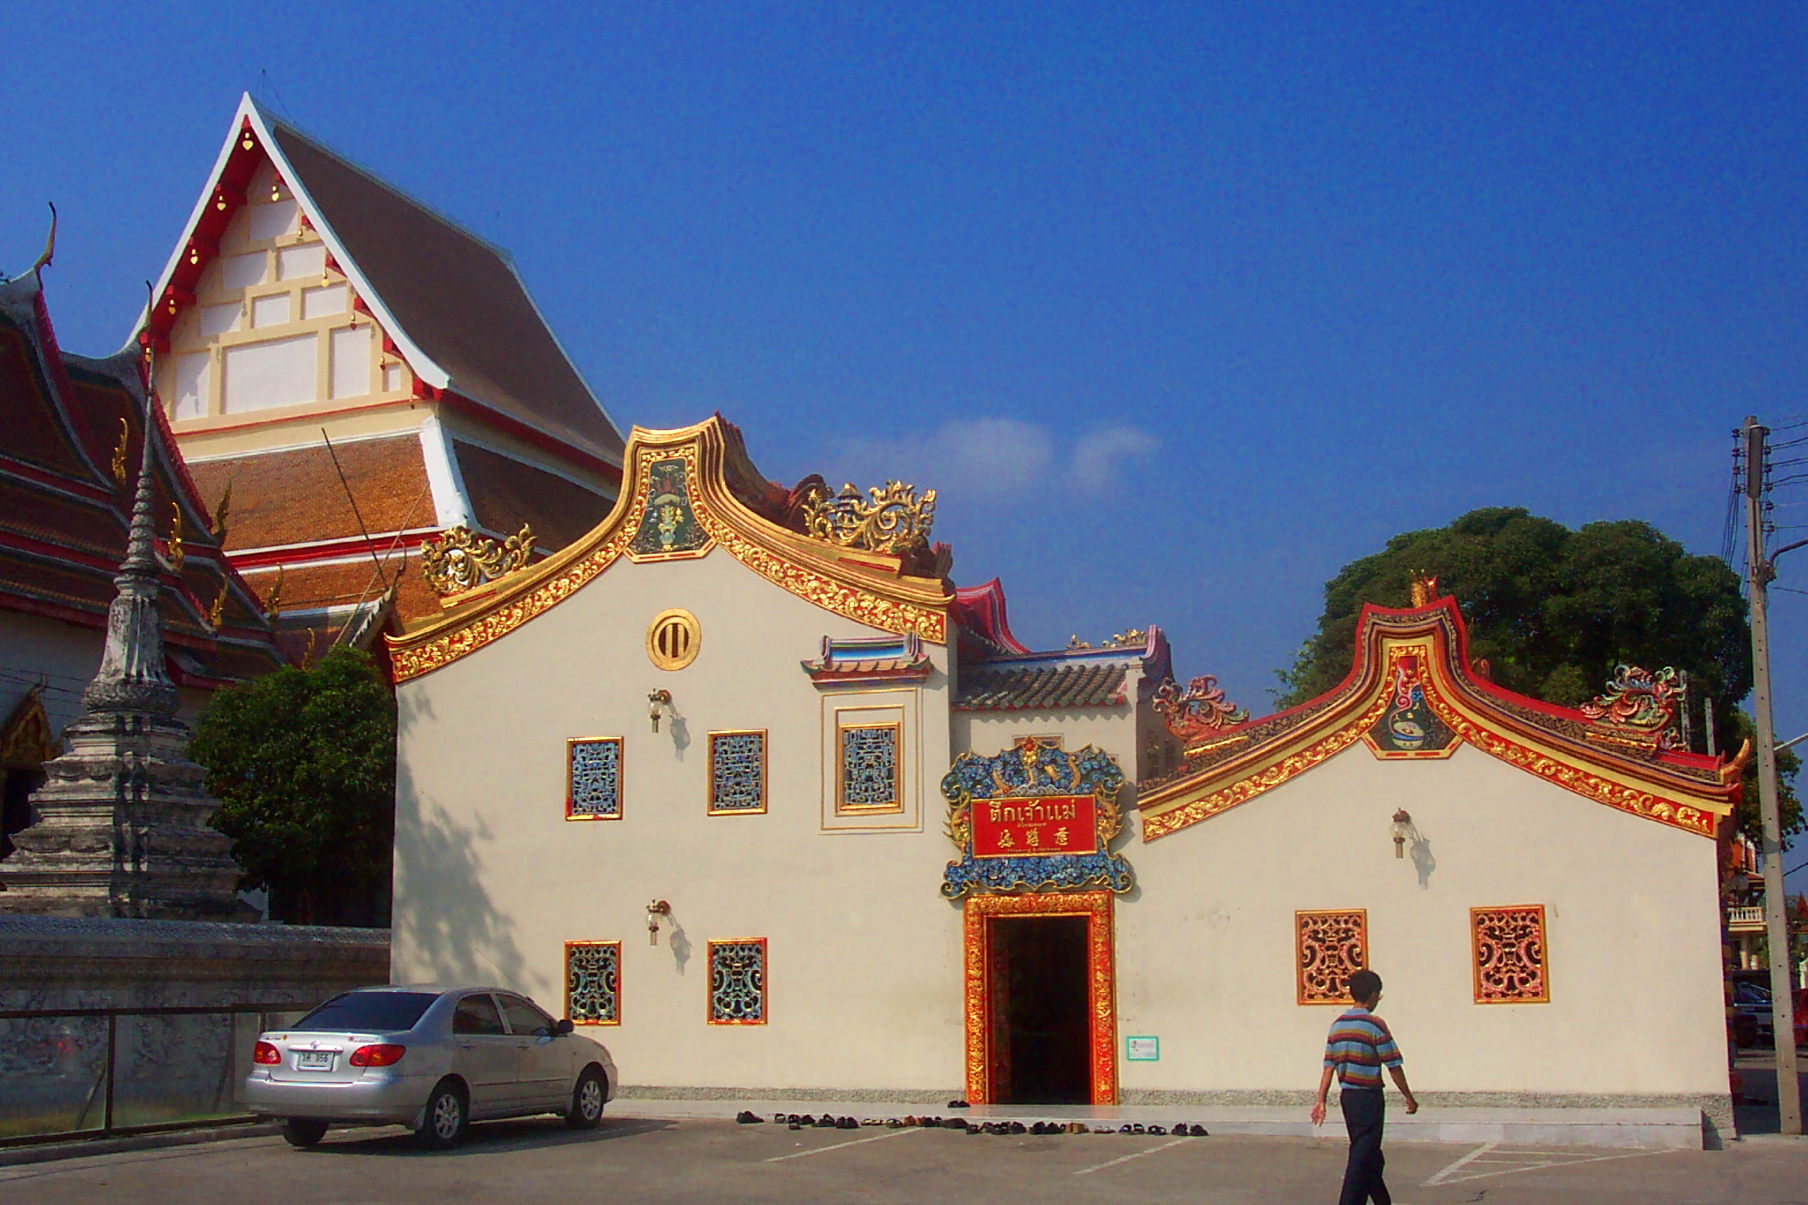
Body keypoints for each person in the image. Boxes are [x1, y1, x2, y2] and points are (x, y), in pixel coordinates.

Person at [1310, 968, 1418, 1205]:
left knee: (1370, 1156)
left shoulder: (1337, 1026)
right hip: (1369, 1098)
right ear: (1372, 995)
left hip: (1348, 1098)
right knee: (1362, 1155)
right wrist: (1409, 1097)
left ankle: (1382, 1200)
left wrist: (1321, 1100)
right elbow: (1393, 1065)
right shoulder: (1374, 1025)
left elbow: (1329, 1066)